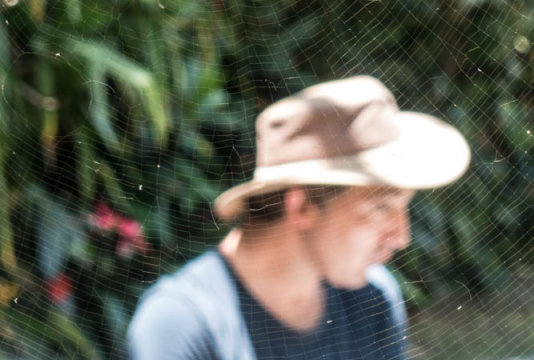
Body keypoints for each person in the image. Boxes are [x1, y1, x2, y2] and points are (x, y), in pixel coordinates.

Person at [127, 76, 470, 360]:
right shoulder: (182, 324)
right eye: (380, 208)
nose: (401, 236)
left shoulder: (374, 298)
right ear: (302, 207)